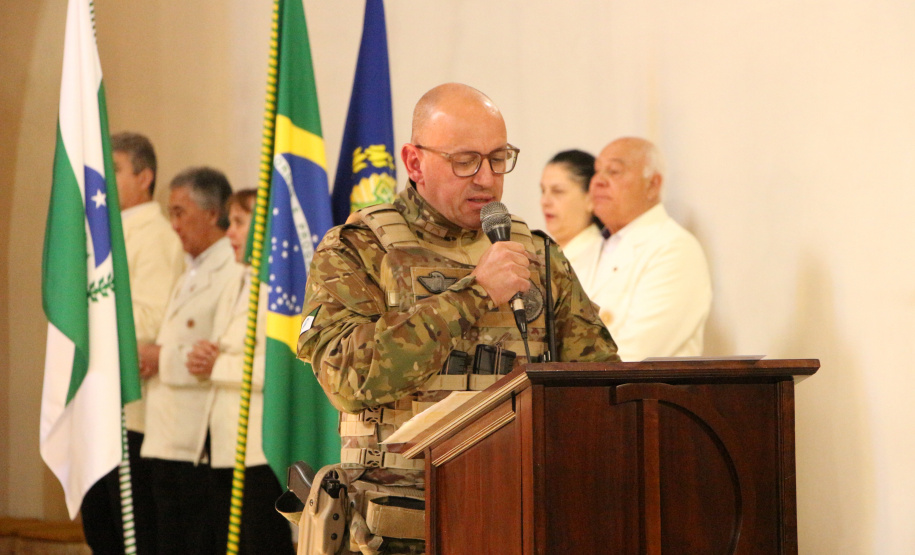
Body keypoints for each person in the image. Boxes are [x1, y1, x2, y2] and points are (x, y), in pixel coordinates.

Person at [297, 83, 619, 554]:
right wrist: (474, 294)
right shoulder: (359, 249)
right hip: (400, 528)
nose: (486, 178)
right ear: (414, 162)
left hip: (518, 516)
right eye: (465, 161)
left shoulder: (536, 254)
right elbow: (348, 377)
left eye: (498, 159)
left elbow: (599, 385)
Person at [79, 132, 183, 555]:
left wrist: (88, 325)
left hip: (132, 409)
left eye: (115, 168)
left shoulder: (154, 236)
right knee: (99, 527)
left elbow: (152, 319)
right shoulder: (106, 235)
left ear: (145, 177)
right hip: (97, 403)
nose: (104, 178)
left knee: (130, 534)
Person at [185, 189, 295, 554]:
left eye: (238, 222)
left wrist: (218, 366)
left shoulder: (279, 287)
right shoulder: (238, 280)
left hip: (258, 449)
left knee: (260, 543)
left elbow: (282, 366)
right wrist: (207, 356)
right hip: (223, 445)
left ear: (263, 227)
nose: (229, 232)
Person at [140, 167, 243, 554]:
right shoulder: (191, 269)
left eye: (180, 212)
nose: (174, 224)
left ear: (213, 213)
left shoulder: (230, 269)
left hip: (196, 442)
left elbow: (216, 356)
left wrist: (161, 358)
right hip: (166, 435)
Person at [588, 137, 712, 361]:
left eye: (613, 171)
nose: (598, 181)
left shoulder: (674, 249)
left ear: (653, 185)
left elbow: (635, 353)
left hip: (637, 383)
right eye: (597, 171)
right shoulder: (591, 247)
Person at [539, 149, 603, 285]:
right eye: (543, 191)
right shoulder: (541, 255)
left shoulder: (602, 258)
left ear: (590, 199)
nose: (545, 201)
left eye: (558, 191)